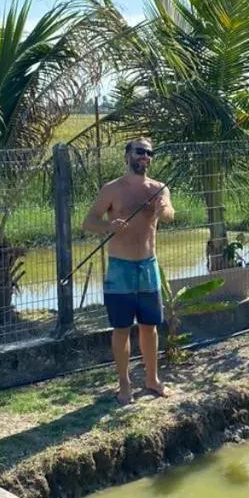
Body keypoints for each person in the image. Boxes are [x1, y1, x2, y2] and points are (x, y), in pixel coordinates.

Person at [82, 136, 175, 403]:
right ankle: (124, 385)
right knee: (121, 329)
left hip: (148, 267)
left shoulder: (158, 189)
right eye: (139, 151)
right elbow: (88, 222)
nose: (144, 156)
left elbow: (170, 213)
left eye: (149, 152)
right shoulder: (112, 189)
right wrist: (108, 227)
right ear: (128, 155)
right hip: (119, 269)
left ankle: (152, 380)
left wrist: (162, 209)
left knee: (150, 327)